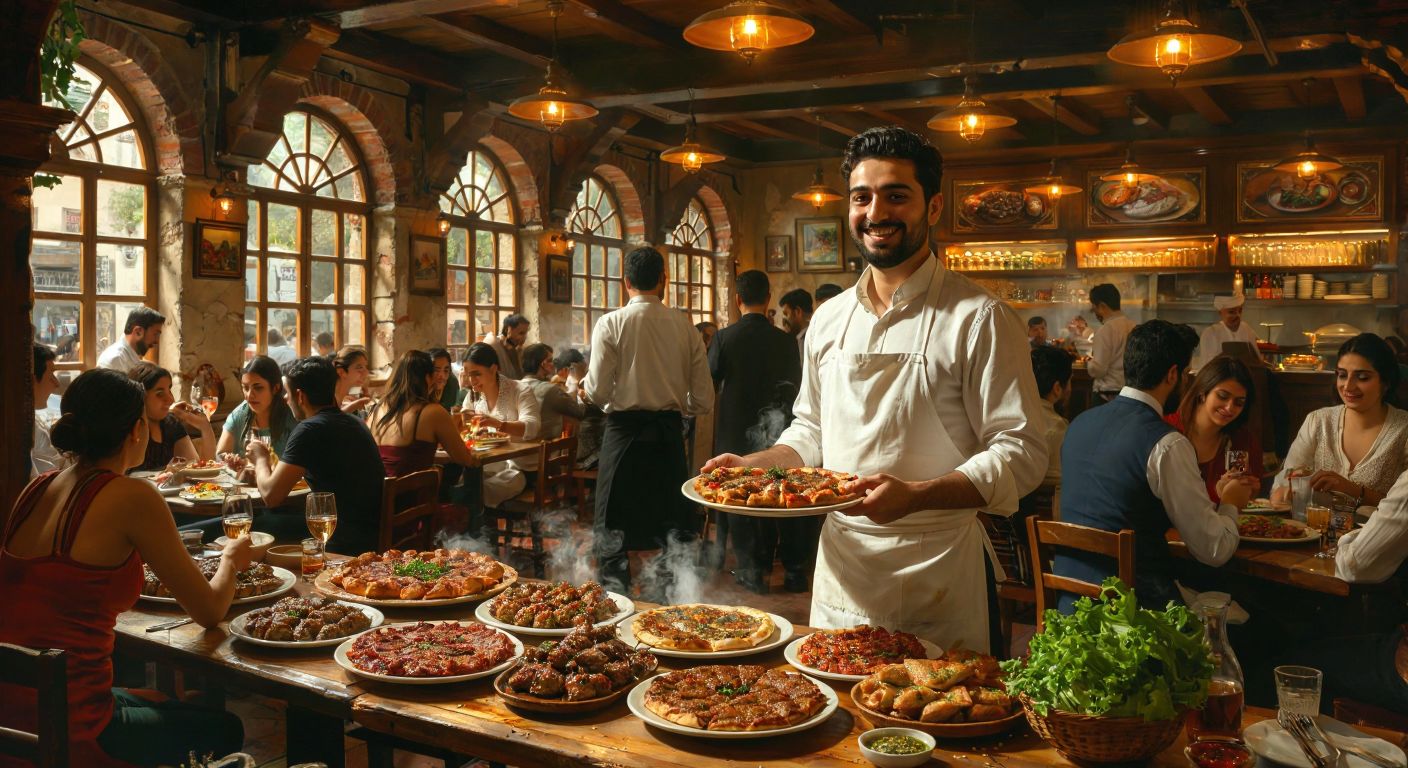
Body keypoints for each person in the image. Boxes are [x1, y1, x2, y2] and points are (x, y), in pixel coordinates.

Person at [703, 127, 1046, 651]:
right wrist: (756, 466)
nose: (876, 211)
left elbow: (1021, 453)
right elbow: (813, 429)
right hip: (843, 563)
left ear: (932, 208)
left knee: (935, 719)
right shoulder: (829, 319)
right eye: (862, 197)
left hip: (938, 569)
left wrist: (918, 496)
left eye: (896, 195)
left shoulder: (981, 318)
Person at [0, 368, 249, 765]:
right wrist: (232, 560)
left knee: (164, 700)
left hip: (12, 709)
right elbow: (209, 610)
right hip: (70, 725)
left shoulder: (37, 488)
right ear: (137, 430)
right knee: (224, 729)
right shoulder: (133, 496)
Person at [1057, 320, 1254, 611]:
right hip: (1135, 617)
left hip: (1070, 608)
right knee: (1265, 628)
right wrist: (1230, 503)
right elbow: (1215, 550)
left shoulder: (1079, 424)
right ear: (1173, 374)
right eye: (1186, 374)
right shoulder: (1167, 443)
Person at [586, 245, 714, 596]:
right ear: (663, 281)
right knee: (673, 528)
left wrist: (615, 395)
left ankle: (615, 602)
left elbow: (596, 393)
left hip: (623, 434)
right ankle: (670, 606)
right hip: (668, 435)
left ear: (625, 281)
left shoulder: (611, 323)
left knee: (612, 529)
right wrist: (674, 405)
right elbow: (703, 400)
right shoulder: (685, 326)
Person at [708, 271, 806, 593]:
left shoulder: (724, 338)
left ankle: (753, 572)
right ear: (768, 298)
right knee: (785, 496)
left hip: (736, 430)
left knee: (741, 501)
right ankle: (793, 572)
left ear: (737, 300)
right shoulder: (785, 340)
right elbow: (796, 384)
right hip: (779, 430)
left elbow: (711, 380)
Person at [247, 356, 385, 554]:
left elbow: (271, 496)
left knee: (251, 521)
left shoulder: (310, 429)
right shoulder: (355, 423)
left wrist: (260, 459)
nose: (286, 399)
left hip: (342, 540)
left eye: (288, 393)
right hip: (368, 534)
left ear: (300, 396)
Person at [1271, 333, 1408, 506]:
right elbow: (1280, 490)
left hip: (1377, 533)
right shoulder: (1318, 421)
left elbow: (1404, 509)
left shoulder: (1403, 430)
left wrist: (1352, 490)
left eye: (1362, 377)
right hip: (1313, 531)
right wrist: (1290, 489)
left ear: (1386, 382)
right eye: (1342, 375)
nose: (1348, 386)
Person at [1165, 356, 1262, 503]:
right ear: (1203, 392)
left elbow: (1241, 505)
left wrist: (1249, 491)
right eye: (1223, 396)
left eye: (1239, 402)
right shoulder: (1166, 431)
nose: (1229, 407)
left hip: (1224, 524)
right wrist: (1217, 492)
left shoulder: (1242, 441)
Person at [368, 350, 478, 477]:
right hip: (410, 493)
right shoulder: (432, 412)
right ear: (427, 377)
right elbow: (465, 459)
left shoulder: (377, 409)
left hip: (377, 492)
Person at [460, 343, 541, 507]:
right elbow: (463, 425)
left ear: (493, 369)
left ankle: (480, 529)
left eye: (476, 374)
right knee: (462, 484)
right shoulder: (473, 397)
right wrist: (463, 423)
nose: (471, 380)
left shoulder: (519, 390)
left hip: (519, 468)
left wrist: (499, 425)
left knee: (483, 490)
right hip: (488, 463)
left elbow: (532, 426)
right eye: (468, 375)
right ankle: (475, 529)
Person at [127, 362, 216, 472]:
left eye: (169, 390)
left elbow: (198, 471)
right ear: (140, 397)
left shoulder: (170, 424)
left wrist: (205, 427)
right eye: (160, 394)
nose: (170, 399)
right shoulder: (128, 430)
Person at [215, 355, 299, 461]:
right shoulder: (239, 415)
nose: (249, 395)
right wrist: (229, 460)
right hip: (241, 477)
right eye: (245, 388)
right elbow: (220, 454)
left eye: (258, 388)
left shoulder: (292, 417)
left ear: (276, 388)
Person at [522, 343, 585, 440]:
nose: (553, 364)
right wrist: (575, 385)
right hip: (546, 449)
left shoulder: (517, 386)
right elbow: (579, 411)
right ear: (543, 364)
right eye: (550, 361)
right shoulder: (550, 390)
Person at [1031, 345, 1074, 485]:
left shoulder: (1010, 416)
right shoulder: (1058, 428)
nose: (1070, 389)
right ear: (1057, 388)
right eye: (1069, 382)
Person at [1086, 283, 1137, 402]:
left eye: (1094, 309)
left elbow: (1099, 370)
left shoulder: (1105, 330)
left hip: (1107, 396)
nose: (1095, 314)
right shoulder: (1133, 326)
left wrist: (1089, 363)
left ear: (1102, 306)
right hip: (1129, 394)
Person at [1193, 294, 1262, 370]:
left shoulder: (1247, 330)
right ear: (1220, 313)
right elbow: (1206, 369)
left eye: (1240, 311)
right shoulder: (1210, 333)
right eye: (1231, 312)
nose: (1237, 315)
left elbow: (1257, 361)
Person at [96, 306, 164, 374]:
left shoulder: (131, 357)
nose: (157, 341)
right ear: (138, 332)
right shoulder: (116, 360)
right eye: (156, 334)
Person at [31, 344, 64, 478]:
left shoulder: (33, 423)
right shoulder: (26, 430)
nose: (56, 384)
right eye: (51, 375)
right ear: (31, 381)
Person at [484, 314, 531, 380]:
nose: (524, 337)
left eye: (525, 333)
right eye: (521, 333)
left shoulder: (519, 348)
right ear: (507, 330)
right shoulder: (495, 346)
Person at [333, 345, 374, 415]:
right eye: (359, 367)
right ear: (341, 372)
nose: (366, 372)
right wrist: (354, 406)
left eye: (365, 367)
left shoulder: (345, 397)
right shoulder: (329, 398)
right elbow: (328, 419)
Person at [779, 288, 813, 359]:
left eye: (786, 314)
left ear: (797, 311)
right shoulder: (813, 333)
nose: (783, 320)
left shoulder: (806, 339)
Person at [429, 347, 460, 412]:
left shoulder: (452, 382)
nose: (442, 376)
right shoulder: (420, 388)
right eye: (436, 370)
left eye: (446, 370)